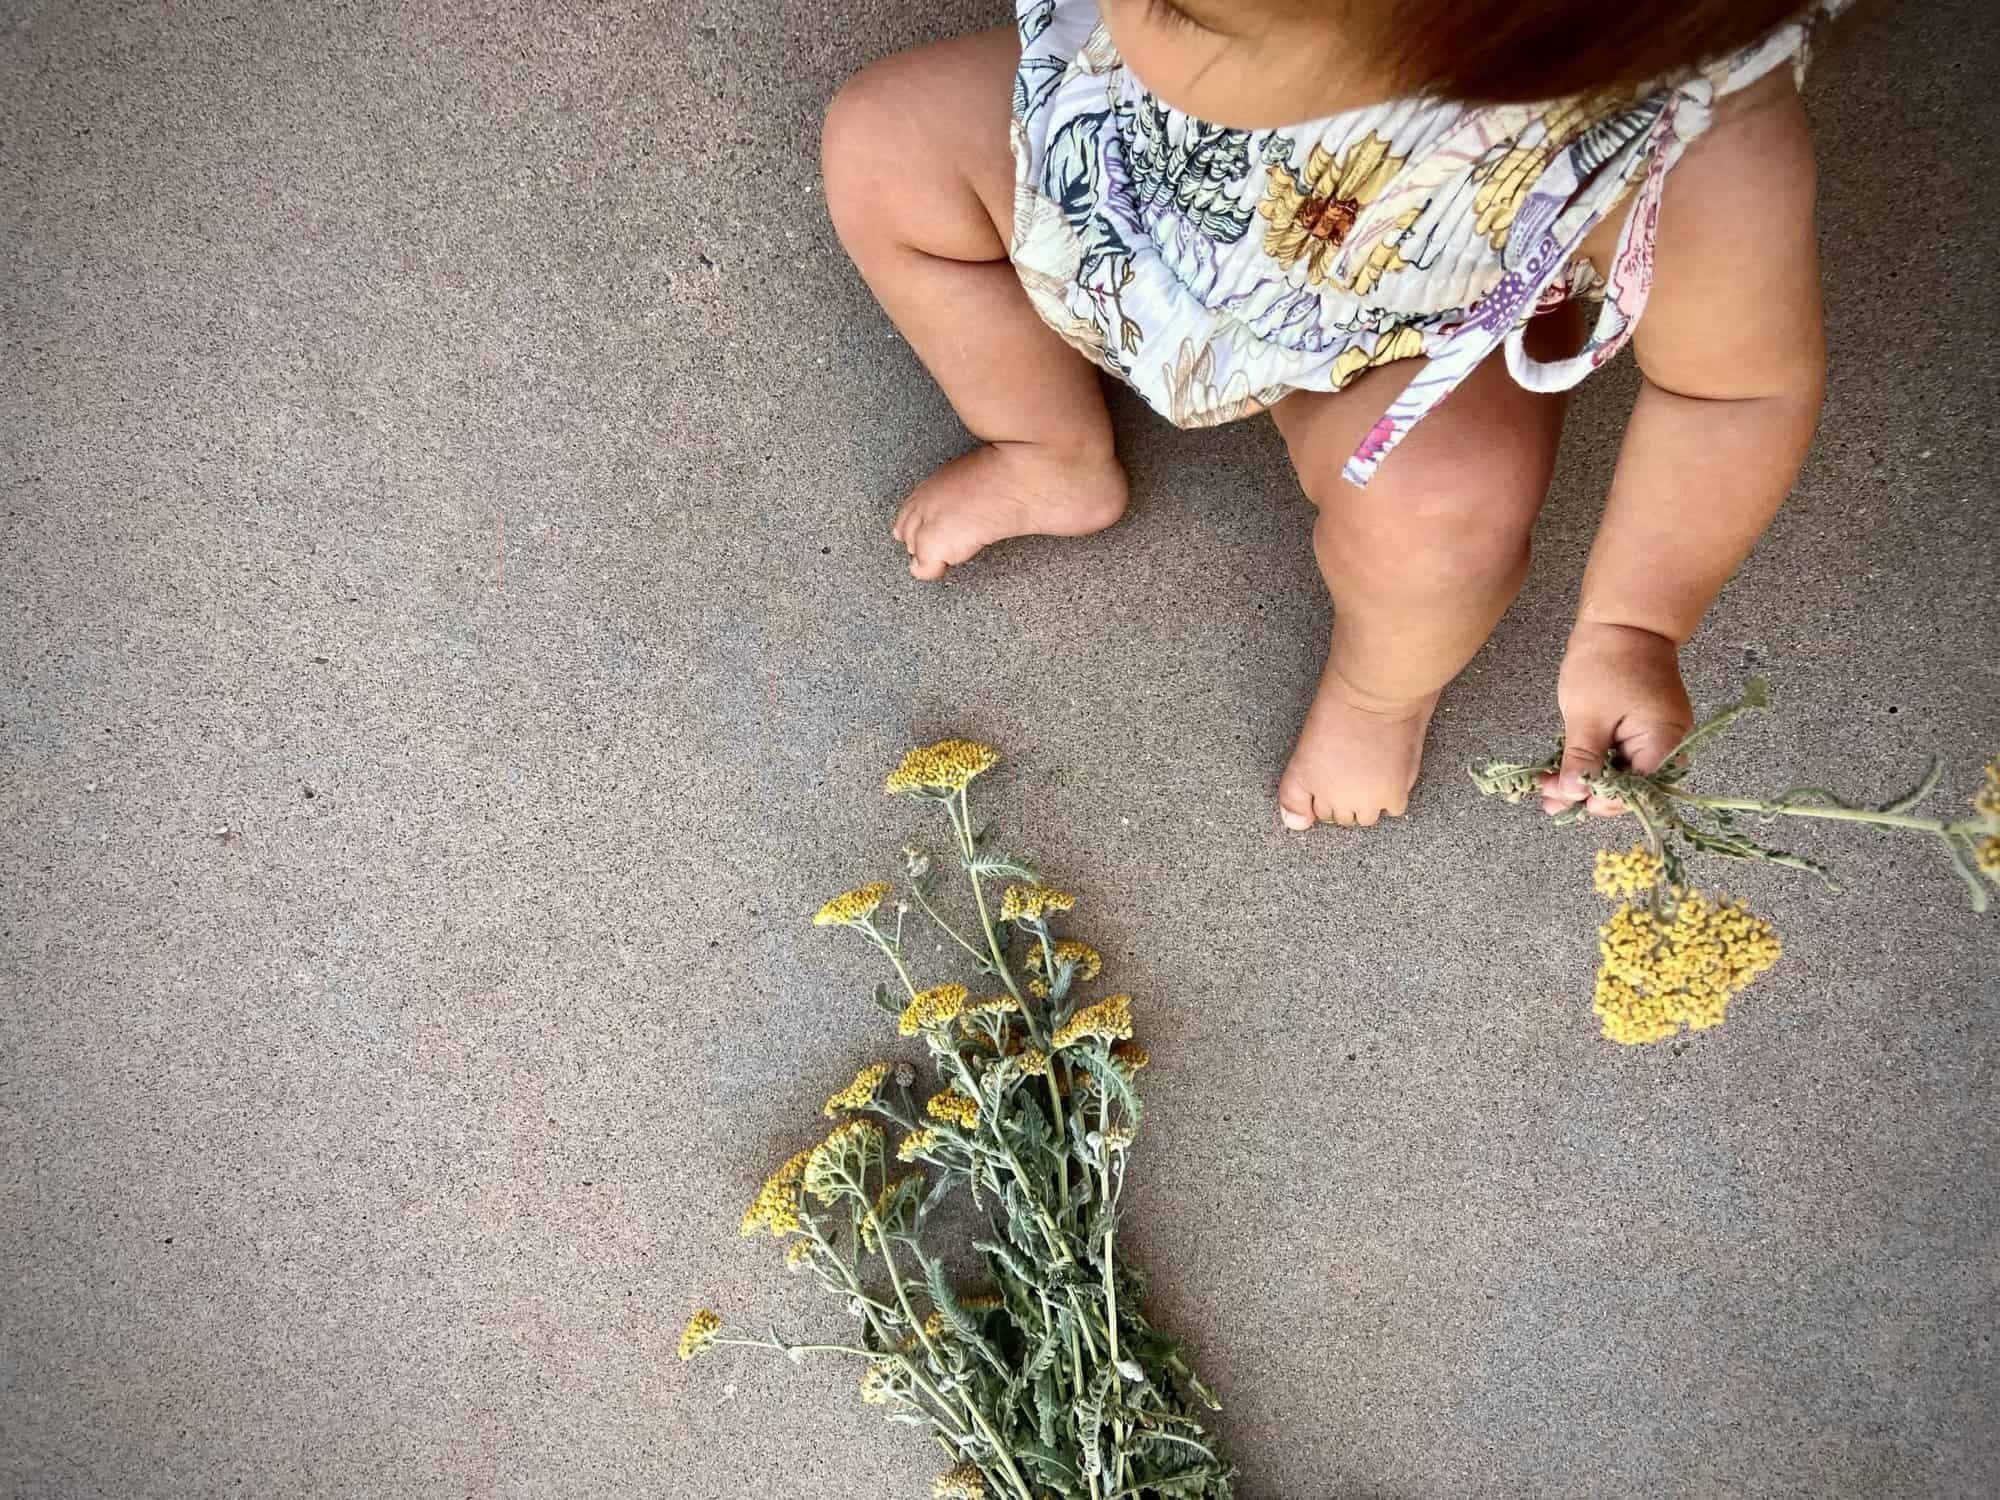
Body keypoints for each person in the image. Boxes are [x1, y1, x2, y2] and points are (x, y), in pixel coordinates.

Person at [821, 0, 1830, 828]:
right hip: (1124, 170)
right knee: (886, 145)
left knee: (1444, 514)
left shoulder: (1674, 135)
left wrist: (1632, 622)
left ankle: (1380, 692)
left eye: (1179, 10)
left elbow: (1728, 391)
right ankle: (1046, 449)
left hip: (1392, 334)